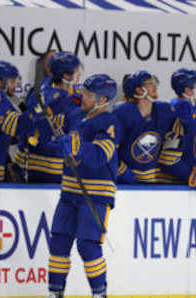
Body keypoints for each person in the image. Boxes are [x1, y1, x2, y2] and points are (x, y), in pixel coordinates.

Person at [47, 74, 119, 298]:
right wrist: (58, 144)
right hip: (69, 191)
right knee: (58, 242)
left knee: (87, 246)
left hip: (96, 194)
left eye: (88, 95)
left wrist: (75, 146)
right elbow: (61, 144)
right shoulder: (76, 116)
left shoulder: (109, 122)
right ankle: (55, 292)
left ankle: (99, 293)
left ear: (102, 100)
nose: (83, 97)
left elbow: (100, 155)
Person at [14, 51, 83, 183]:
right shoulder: (71, 101)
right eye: (77, 71)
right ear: (66, 75)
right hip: (54, 170)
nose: (79, 74)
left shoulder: (37, 91)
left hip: (26, 165)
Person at [114, 71, 181, 184]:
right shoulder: (123, 113)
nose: (155, 86)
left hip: (152, 178)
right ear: (139, 90)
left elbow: (179, 135)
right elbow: (111, 148)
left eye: (154, 82)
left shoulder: (163, 110)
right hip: (125, 180)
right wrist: (122, 172)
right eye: (149, 83)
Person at [158, 69, 196, 187]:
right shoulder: (180, 113)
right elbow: (168, 159)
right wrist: (190, 174)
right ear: (188, 90)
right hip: (179, 187)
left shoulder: (190, 111)